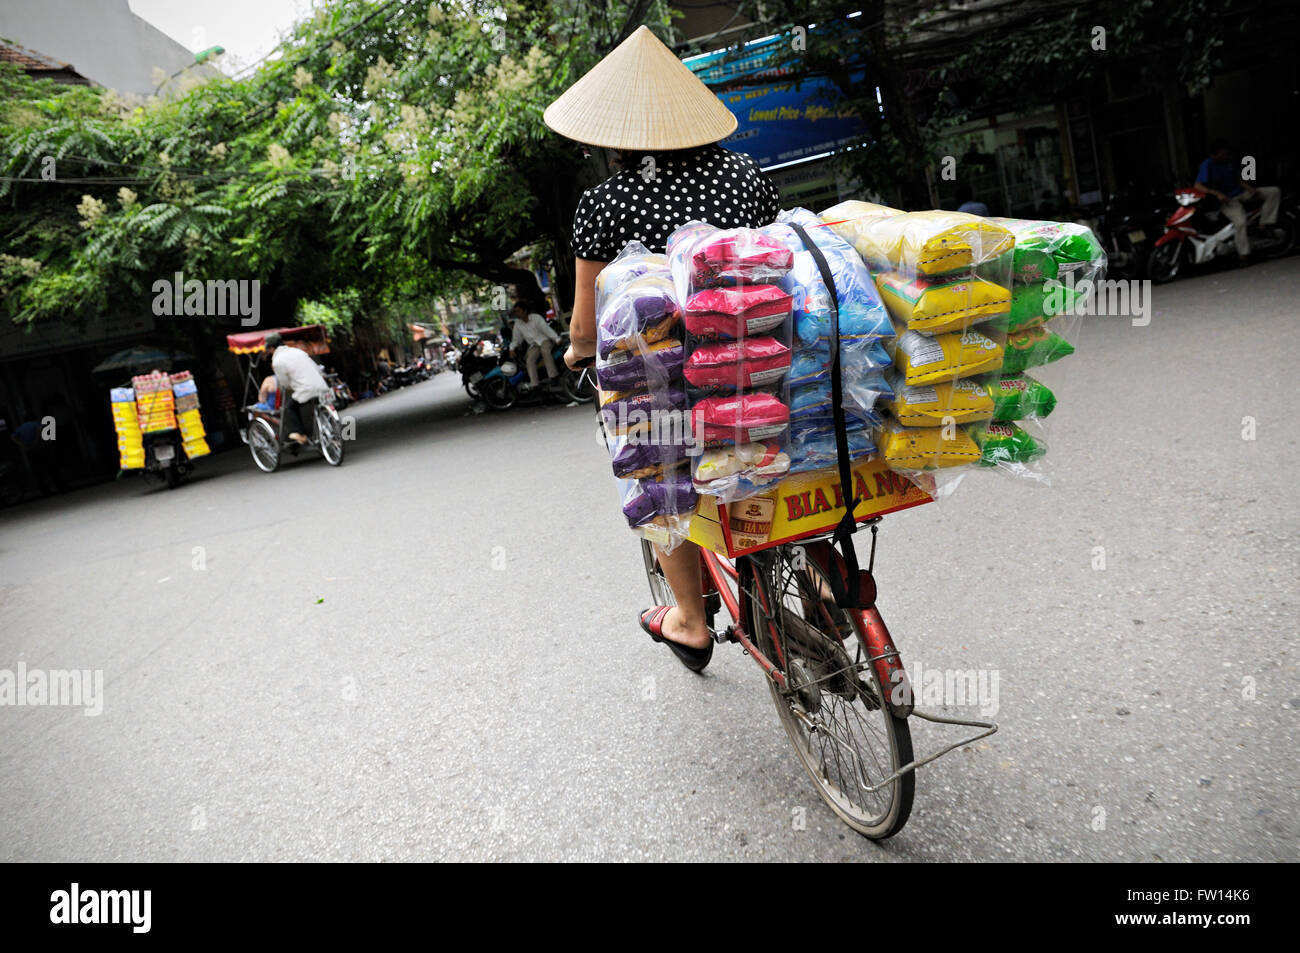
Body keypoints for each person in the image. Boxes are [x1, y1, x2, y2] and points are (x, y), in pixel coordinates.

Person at [547, 25, 780, 672]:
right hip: (756, 354)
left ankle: (689, 619)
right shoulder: (744, 176)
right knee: (769, 436)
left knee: (657, 470)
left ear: (620, 132)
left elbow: (589, 325)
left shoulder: (604, 203)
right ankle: (805, 575)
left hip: (664, 376)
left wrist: (575, 352)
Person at [1194, 139, 1282, 264]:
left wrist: (1249, 188)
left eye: (1226, 154)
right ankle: (1243, 255)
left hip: (1241, 193)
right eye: (1222, 154)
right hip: (1227, 200)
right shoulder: (1207, 165)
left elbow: (1238, 179)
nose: (1226, 156)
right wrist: (1217, 194)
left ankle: (1265, 223)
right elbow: (1198, 185)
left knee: (1274, 191)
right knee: (1240, 221)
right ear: (1214, 155)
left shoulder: (1229, 162)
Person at [264, 332, 330, 445]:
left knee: (289, 407)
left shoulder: (277, 361)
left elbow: (284, 383)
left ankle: (301, 434)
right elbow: (317, 368)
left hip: (306, 390)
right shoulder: (297, 351)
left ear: (271, 348)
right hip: (321, 386)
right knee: (312, 404)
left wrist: (292, 386)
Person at [508, 300, 561, 389]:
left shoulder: (536, 318)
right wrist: (511, 348)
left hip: (544, 340)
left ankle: (553, 376)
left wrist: (556, 338)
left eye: (518, 311)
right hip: (533, 345)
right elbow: (516, 338)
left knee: (546, 353)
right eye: (515, 311)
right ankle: (535, 384)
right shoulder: (518, 324)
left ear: (524, 310)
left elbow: (546, 330)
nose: (517, 313)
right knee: (529, 361)